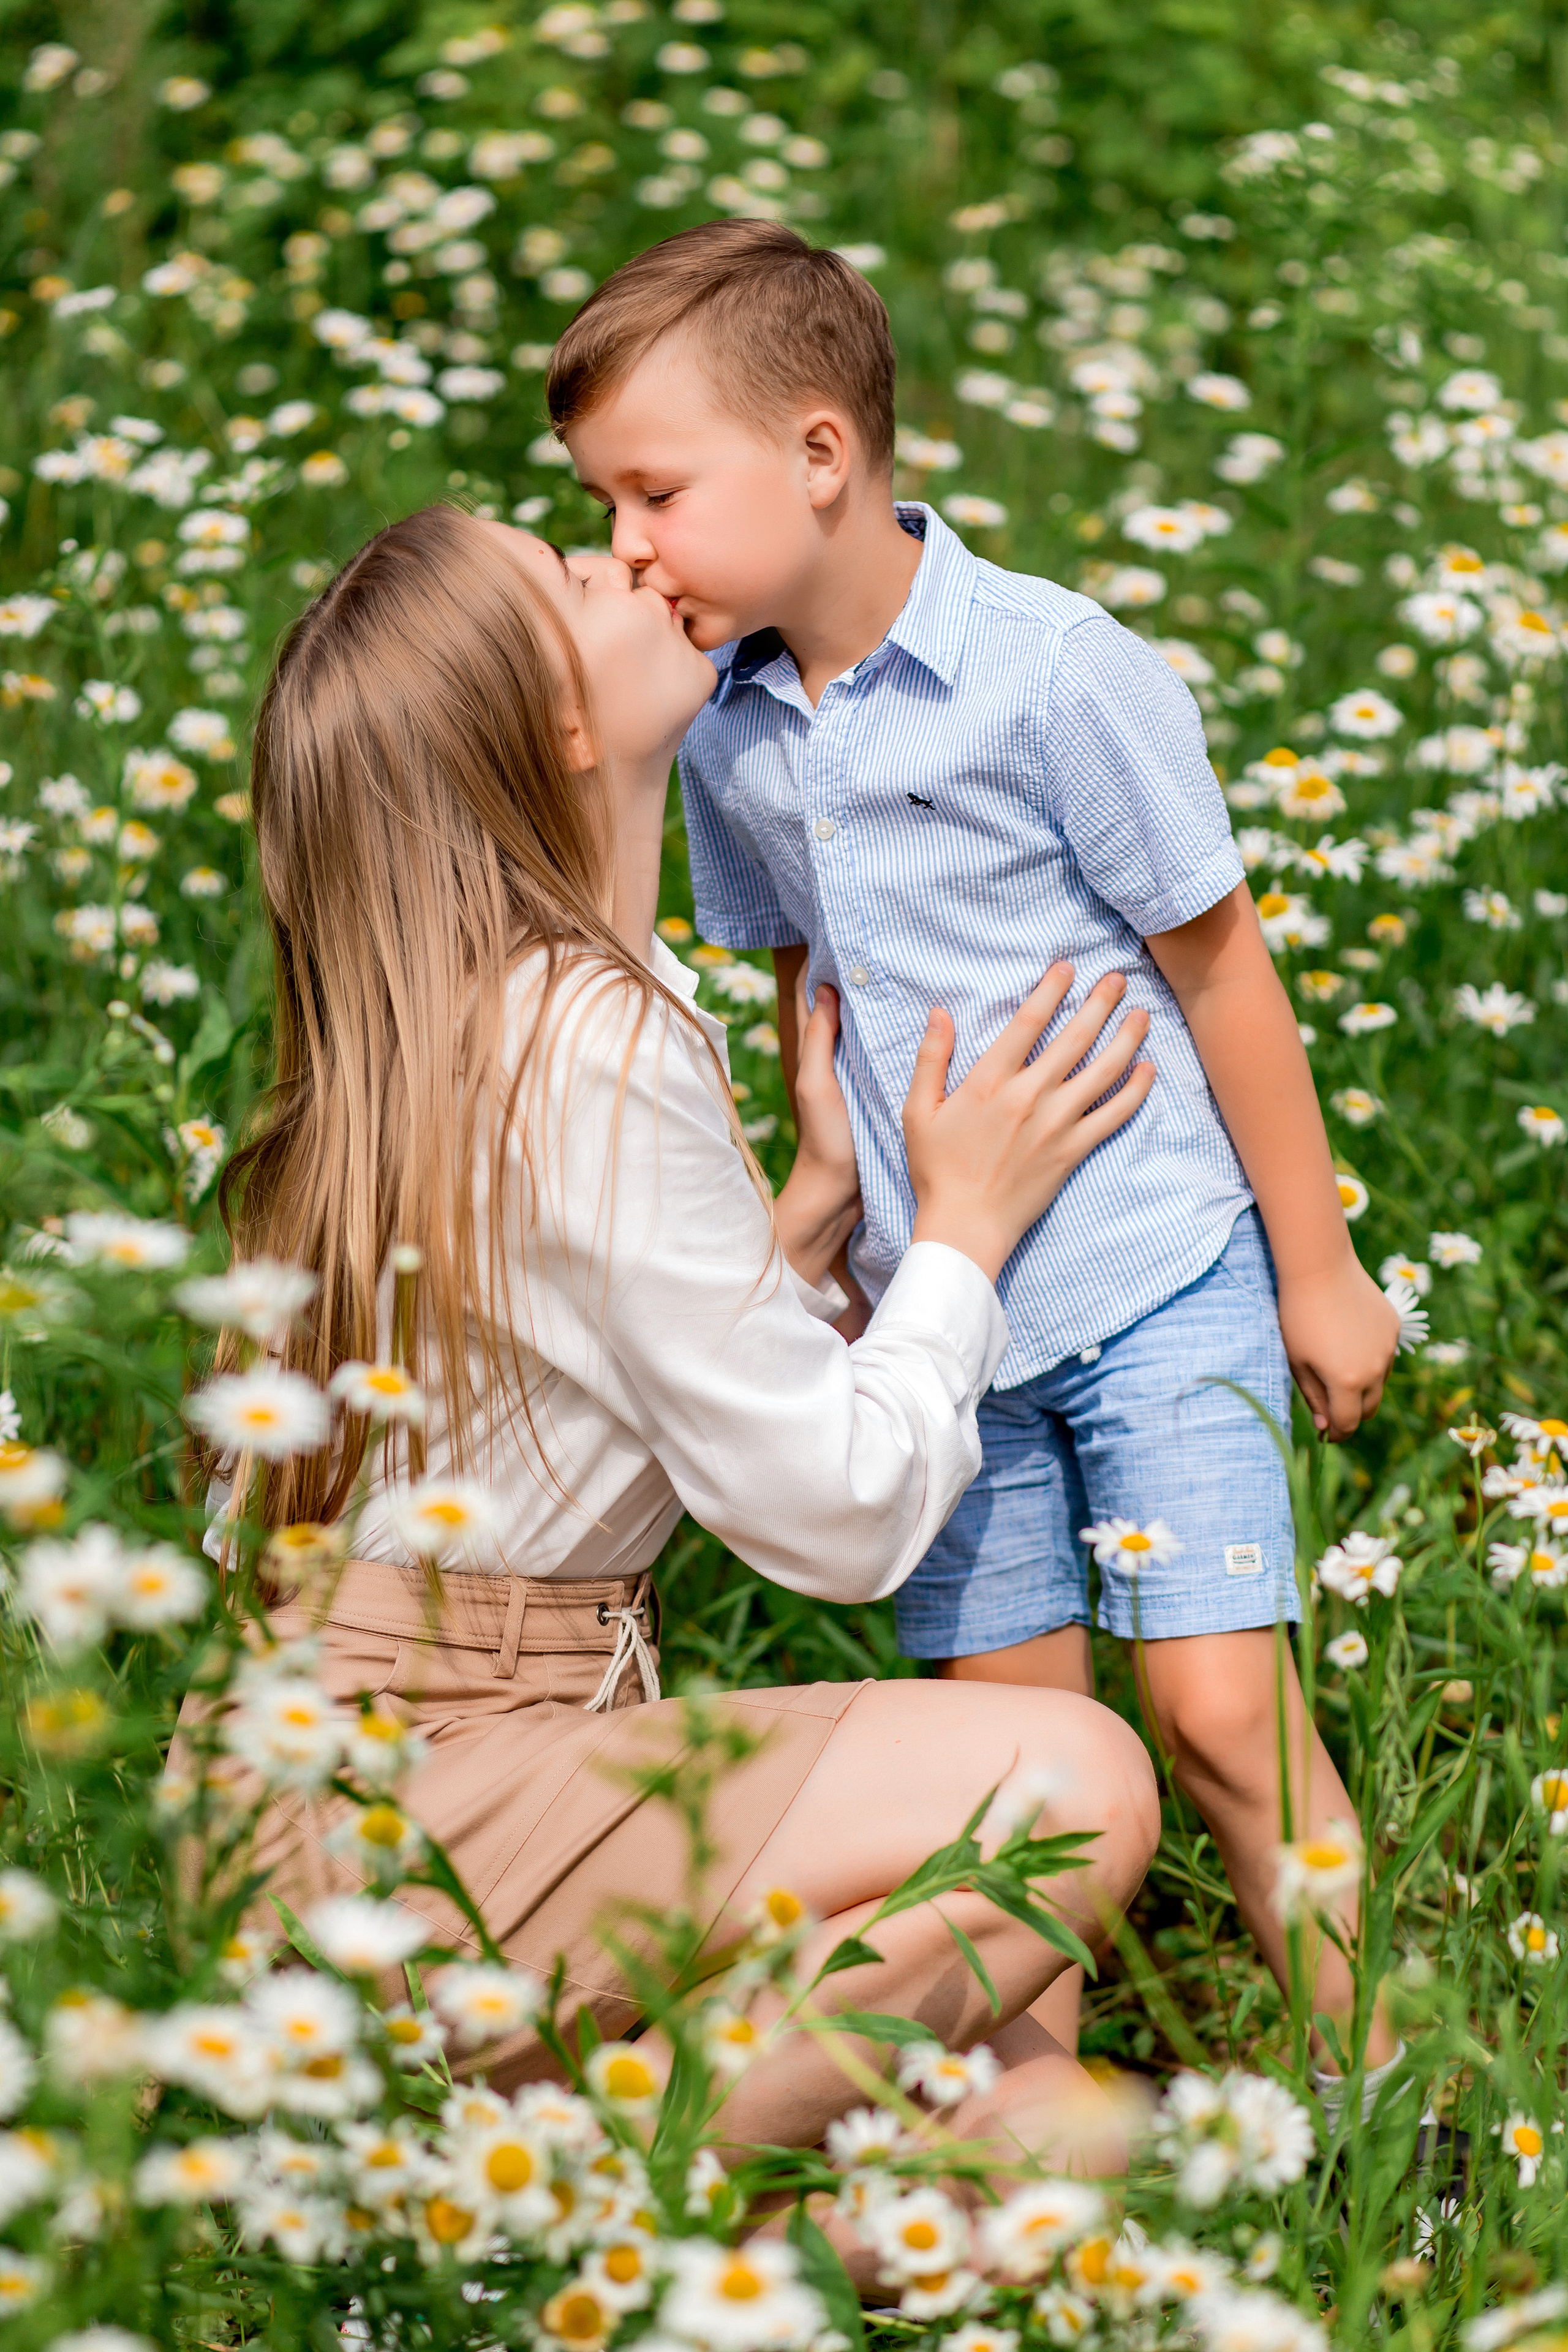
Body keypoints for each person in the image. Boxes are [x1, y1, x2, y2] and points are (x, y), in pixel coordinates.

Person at [546, 219, 1401, 2098]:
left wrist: (1314, 1259)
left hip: (1155, 1268)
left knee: (1221, 1720)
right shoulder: (732, 728)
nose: (624, 545)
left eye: (655, 492)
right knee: (1014, 1785)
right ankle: (1024, 2154)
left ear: (823, 456)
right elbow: (808, 985)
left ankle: (1391, 2096)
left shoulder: (1053, 672)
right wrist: (828, 1192)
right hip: (946, 1323)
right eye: (604, 502)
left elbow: (1222, 963)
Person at [207, 500, 1159, 2163]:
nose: (632, 557)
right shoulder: (582, 1037)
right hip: (434, 1792)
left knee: (1049, 2138)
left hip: (342, 1809)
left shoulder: (500, 1012)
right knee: (1074, 1787)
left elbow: (572, 1371)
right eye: (580, 575)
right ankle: (579, 2202)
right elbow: (841, 1517)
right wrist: (964, 1230)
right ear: (561, 723)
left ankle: (579, 2192)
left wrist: (801, 1213)